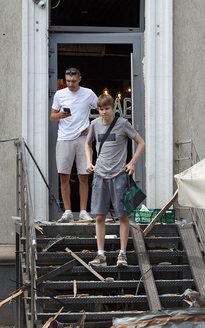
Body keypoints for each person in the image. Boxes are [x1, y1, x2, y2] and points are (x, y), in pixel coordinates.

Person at [85, 94, 146, 267]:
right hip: (100, 176)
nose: (104, 112)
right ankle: (101, 255)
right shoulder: (95, 125)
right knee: (99, 217)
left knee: (123, 216)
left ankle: (123, 254)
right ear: (98, 110)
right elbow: (87, 143)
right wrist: (89, 162)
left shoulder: (123, 124)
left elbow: (141, 142)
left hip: (119, 175)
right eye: (101, 109)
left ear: (113, 108)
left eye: (107, 109)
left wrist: (132, 163)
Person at [50, 67, 98, 223]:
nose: (70, 84)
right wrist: (59, 115)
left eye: (73, 81)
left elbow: (104, 109)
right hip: (64, 138)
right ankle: (68, 212)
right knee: (64, 176)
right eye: (68, 81)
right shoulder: (59, 94)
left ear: (80, 79)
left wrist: (92, 126)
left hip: (83, 139)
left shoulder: (88, 93)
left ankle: (84, 211)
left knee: (83, 176)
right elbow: (52, 117)